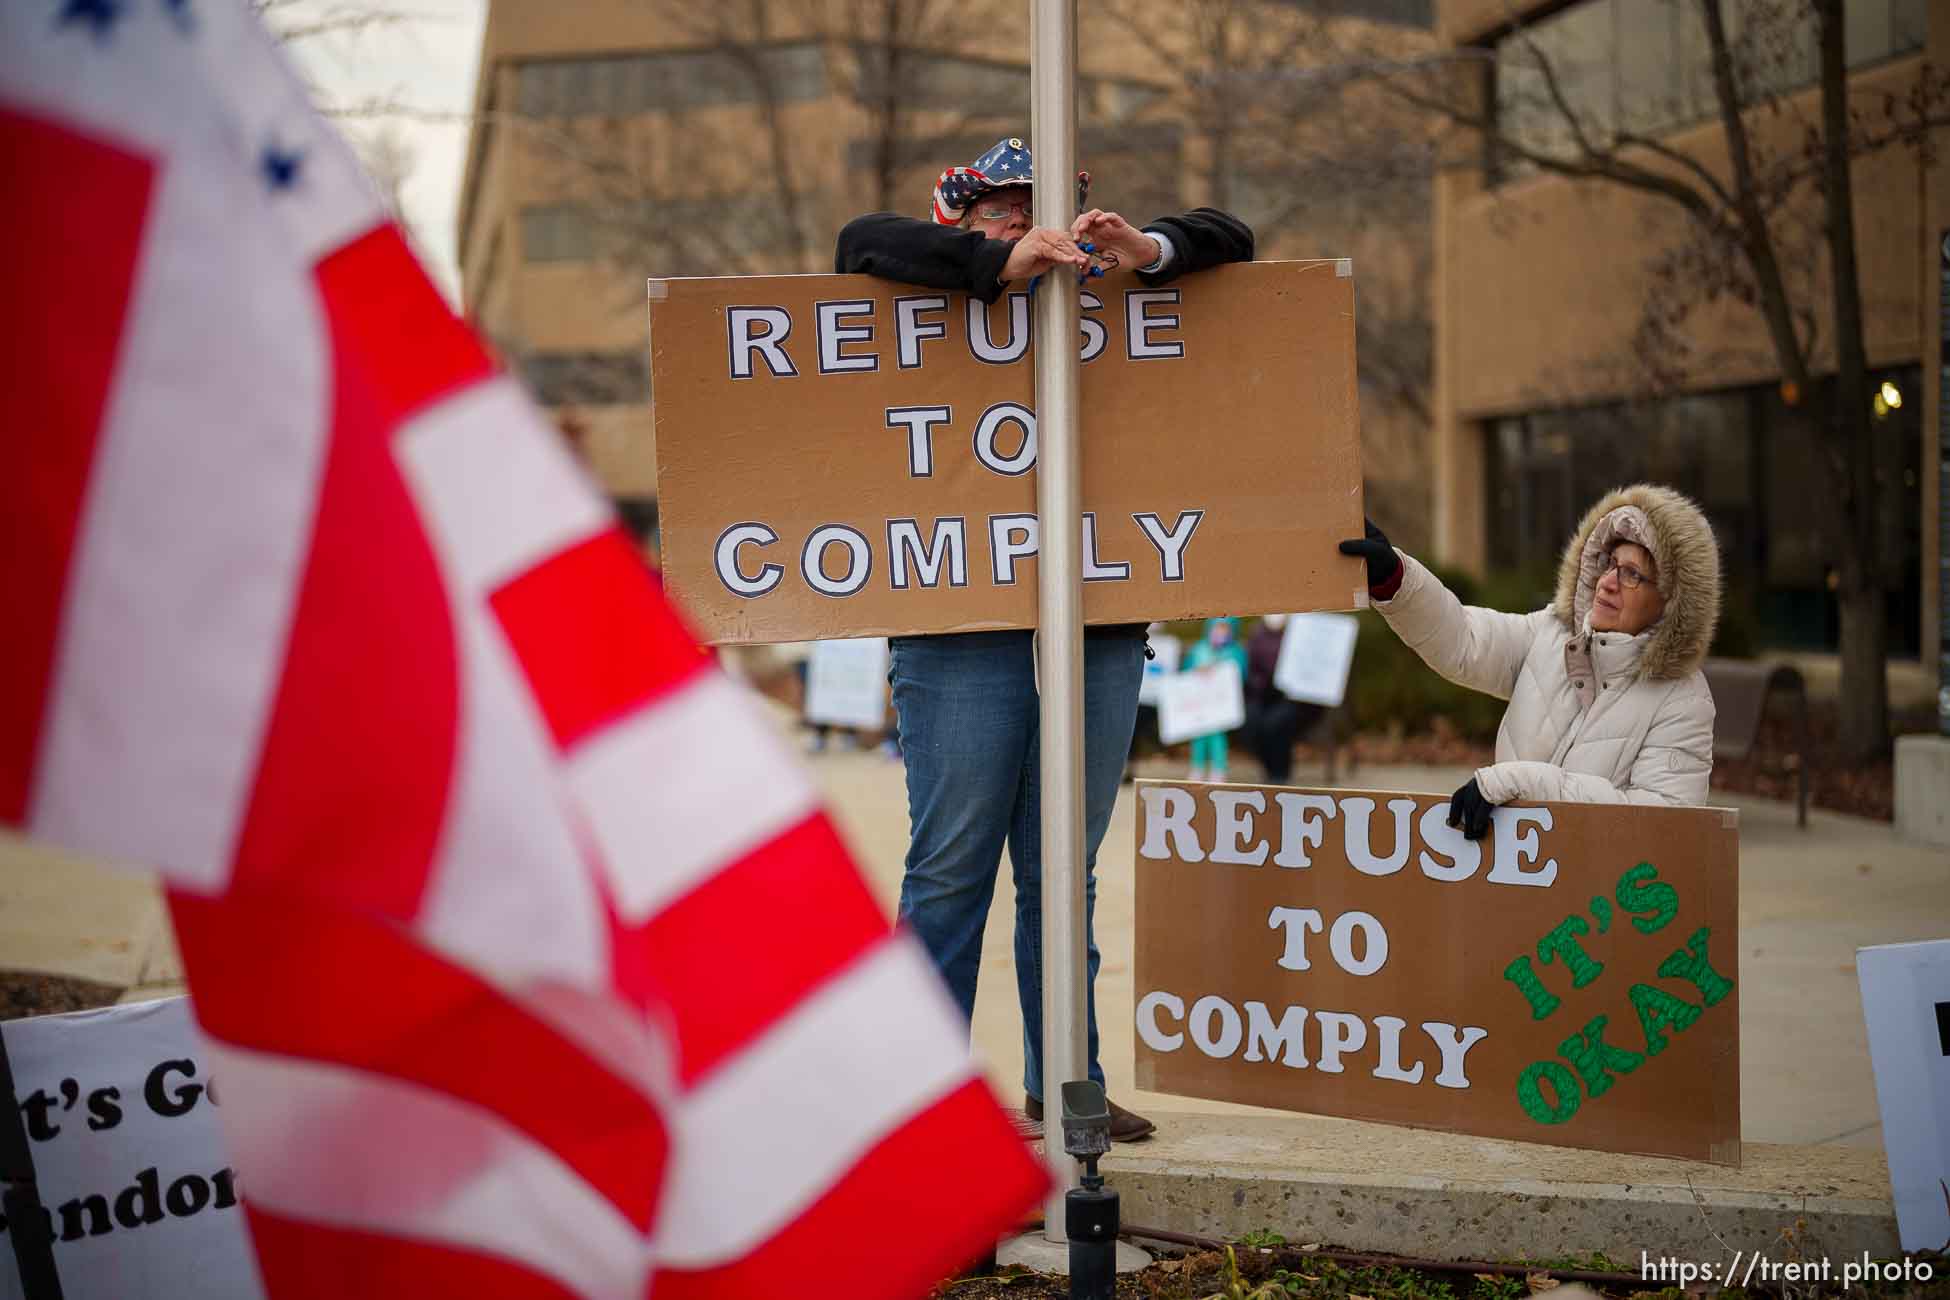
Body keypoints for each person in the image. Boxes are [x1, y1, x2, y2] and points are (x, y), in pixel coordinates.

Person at [836, 136, 1254, 1142]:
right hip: (960, 633)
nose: (1024, 224)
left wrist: (1148, 249)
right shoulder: (922, 280)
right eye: (1001, 209)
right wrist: (994, 269)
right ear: (964, 219)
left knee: (1066, 872)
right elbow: (860, 239)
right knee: (949, 870)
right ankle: (921, 1098)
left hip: (1099, 626)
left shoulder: (1105, 289)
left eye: (1040, 206)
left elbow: (1231, 237)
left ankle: (1067, 1078)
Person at [1338, 483, 1720, 835]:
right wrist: (1395, 580)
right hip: (1516, 878)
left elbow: (1664, 824)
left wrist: (1521, 783)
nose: (1608, 581)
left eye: (1632, 574)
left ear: (1671, 601)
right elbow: (1464, 642)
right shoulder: (1552, 634)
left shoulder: (1682, 700)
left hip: (1597, 904)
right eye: (1609, 563)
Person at [1242, 614, 1321, 786]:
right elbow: (1250, 670)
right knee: (1251, 723)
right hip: (1262, 695)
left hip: (1294, 699)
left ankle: (1280, 773)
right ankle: (1269, 769)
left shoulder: (1301, 633)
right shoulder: (1256, 635)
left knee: (1276, 724)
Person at [1181, 617, 1247, 783]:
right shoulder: (1199, 649)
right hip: (1200, 703)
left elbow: (1241, 674)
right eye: (1218, 627)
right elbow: (1186, 671)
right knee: (1199, 735)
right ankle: (1197, 767)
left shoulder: (1236, 651)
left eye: (1225, 628)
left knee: (1217, 737)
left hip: (1220, 704)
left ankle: (1219, 769)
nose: (1221, 632)